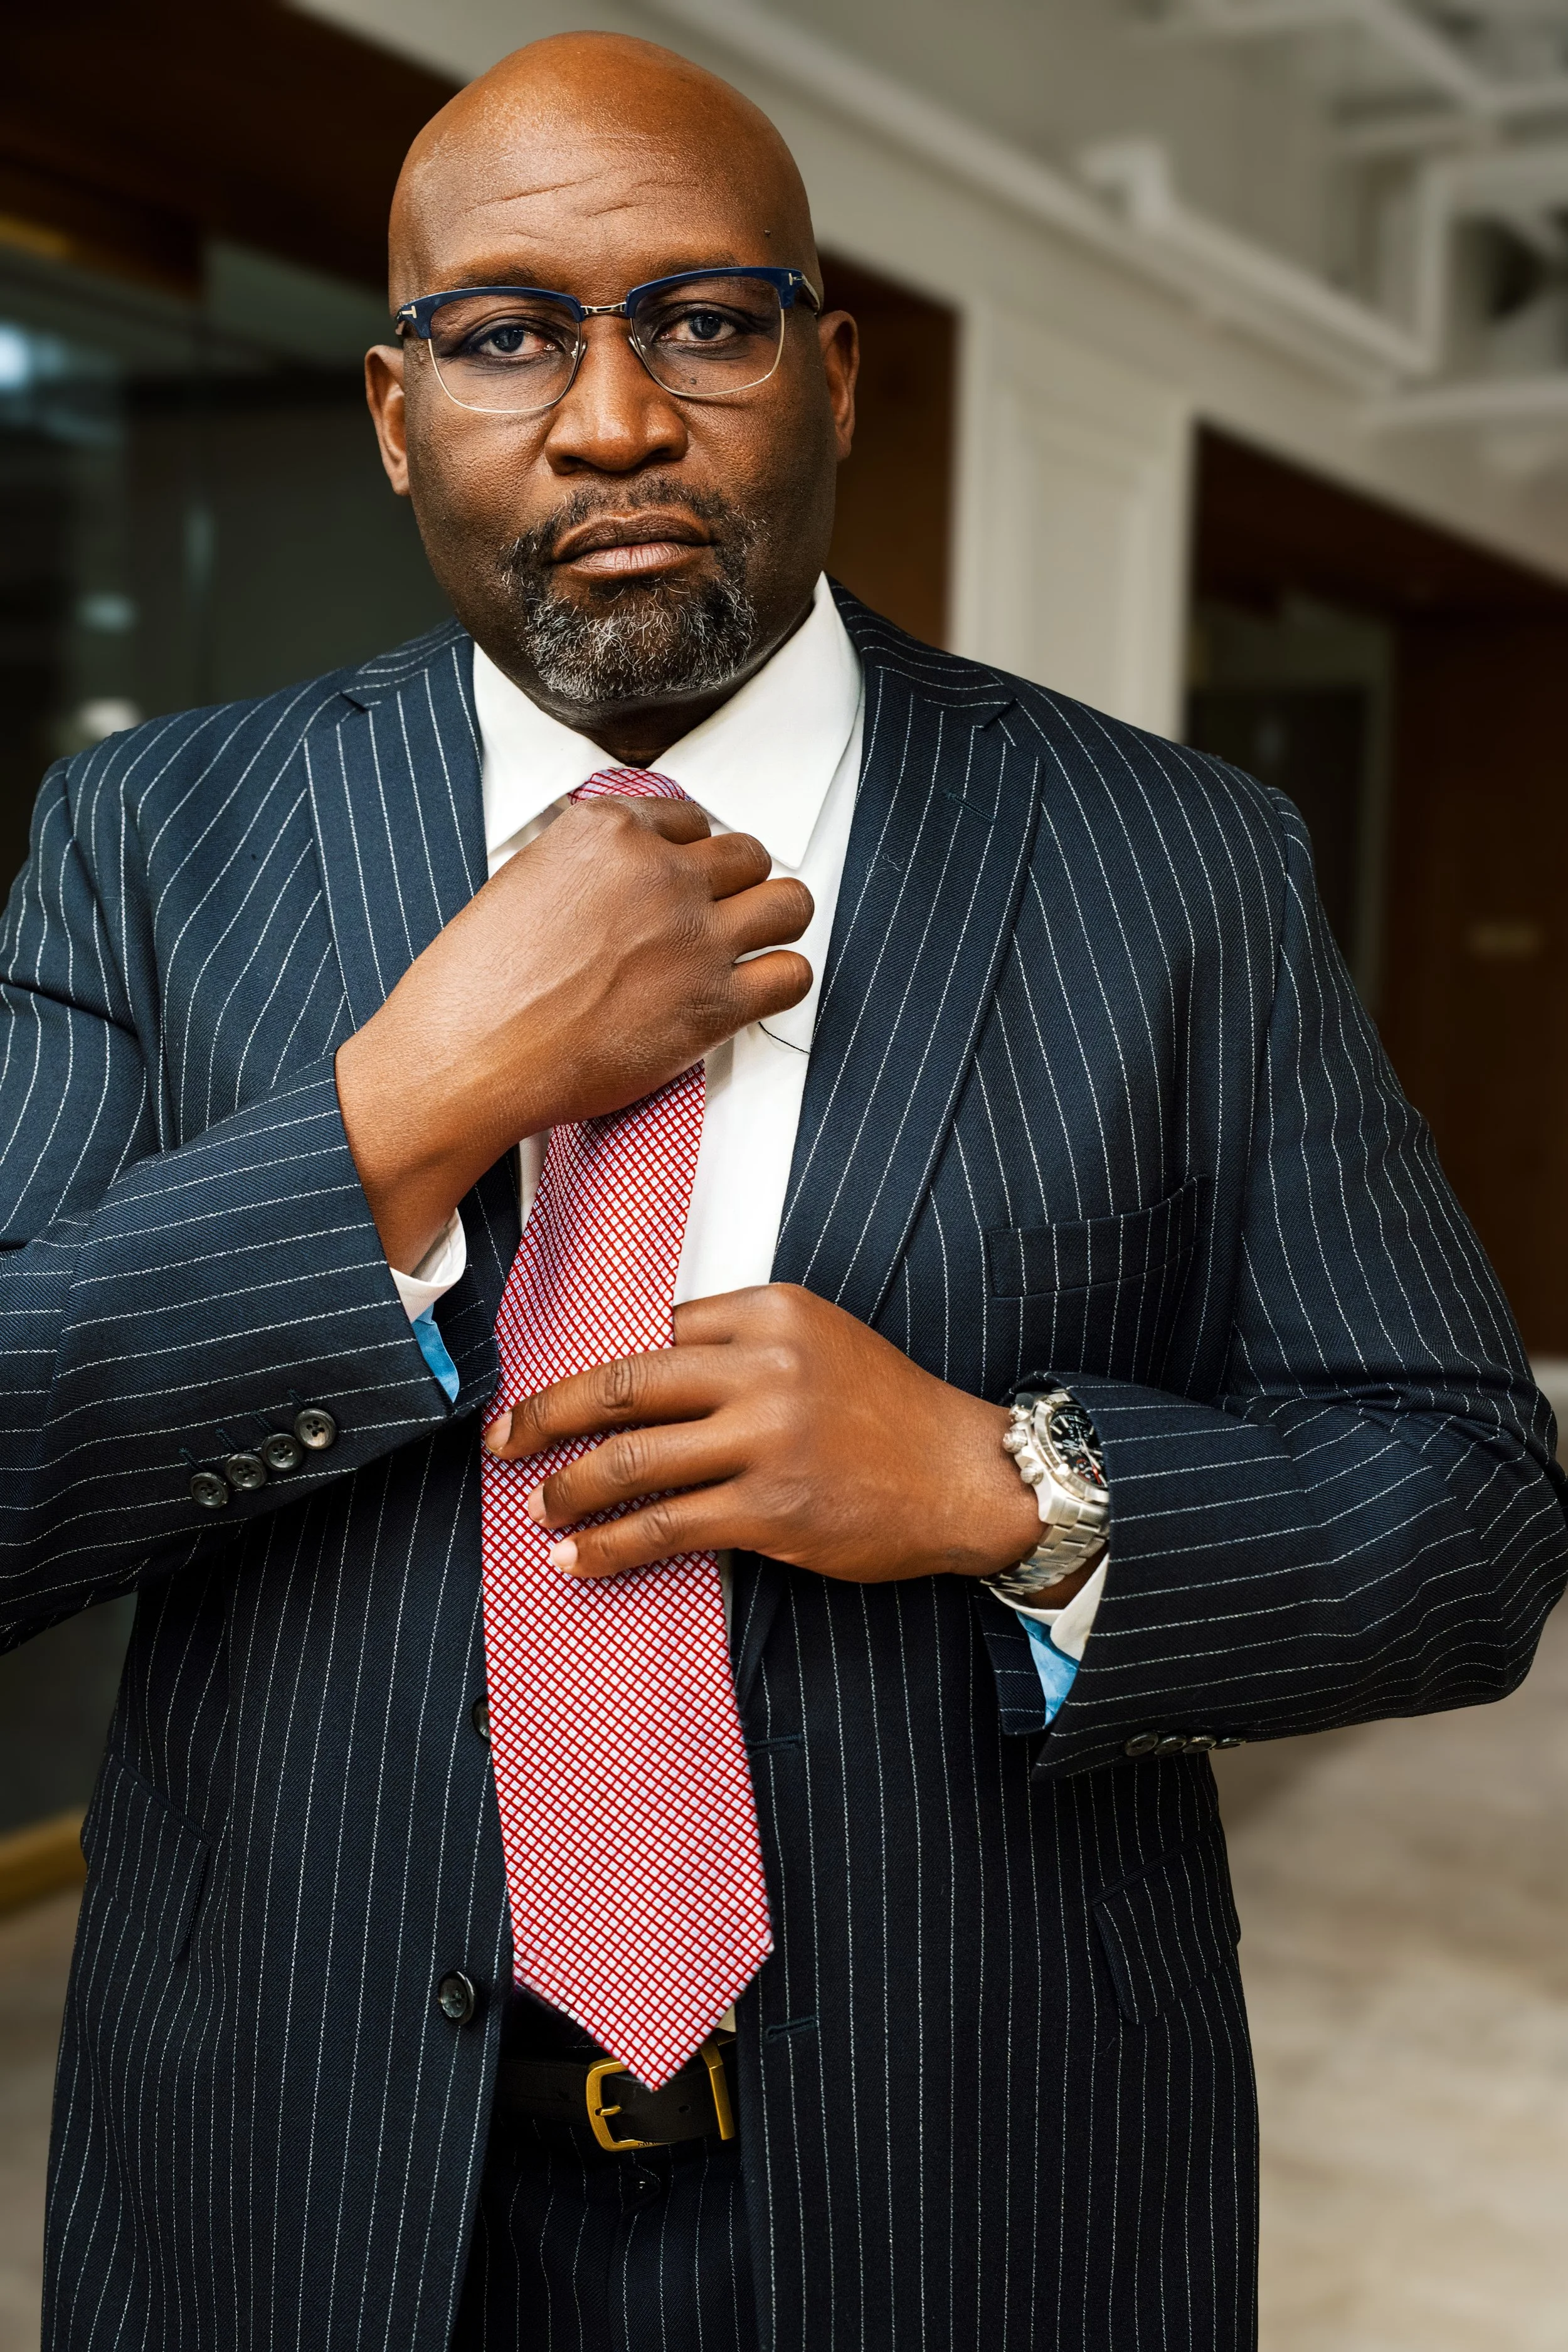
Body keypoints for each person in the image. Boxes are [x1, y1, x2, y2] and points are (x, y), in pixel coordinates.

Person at [7, 29, 1563, 2352]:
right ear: (394, 410)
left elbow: (1468, 1517)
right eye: (509, 332)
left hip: (978, 2189)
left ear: (827, 372)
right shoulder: (154, 843)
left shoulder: (1168, 864)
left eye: (705, 321)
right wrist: (394, 1122)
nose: (614, 417)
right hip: (293, 2186)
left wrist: (994, 1483)